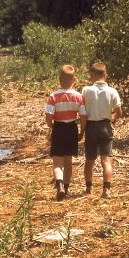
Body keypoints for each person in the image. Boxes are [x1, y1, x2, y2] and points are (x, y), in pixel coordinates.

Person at [81, 61, 122, 198]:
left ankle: (88, 188)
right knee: (106, 160)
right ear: (106, 75)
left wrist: (82, 130)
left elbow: (82, 112)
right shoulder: (112, 91)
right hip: (105, 126)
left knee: (89, 159)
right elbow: (119, 112)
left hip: (91, 126)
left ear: (91, 75)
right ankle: (106, 190)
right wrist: (112, 119)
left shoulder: (86, 90)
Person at [44, 65, 86, 200]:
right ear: (74, 79)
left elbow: (49, 115)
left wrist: (50, 126)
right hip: (71, 129)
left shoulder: (53, 96)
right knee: (68, 162)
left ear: (59, 79)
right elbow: (83, 116)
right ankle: (66, 189)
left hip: (59, 129)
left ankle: (59, 185)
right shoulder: (78, 96)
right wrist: (82, 131)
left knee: (57, 163)